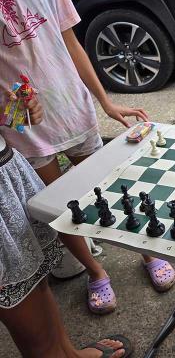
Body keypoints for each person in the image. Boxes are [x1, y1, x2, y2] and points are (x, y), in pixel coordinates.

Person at [0, 0, 175, 315]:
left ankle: (149, 251)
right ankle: (96, 270)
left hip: (73, 110)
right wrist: (8, 112)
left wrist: (106, 102)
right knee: (58, 211)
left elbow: (71, 42)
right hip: (24, 129)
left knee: (113, 188)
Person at [0, 98, 132, 358]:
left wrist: (11, 115)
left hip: (7, 175)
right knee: (32, 330)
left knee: (38, 283)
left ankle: (68, 353)